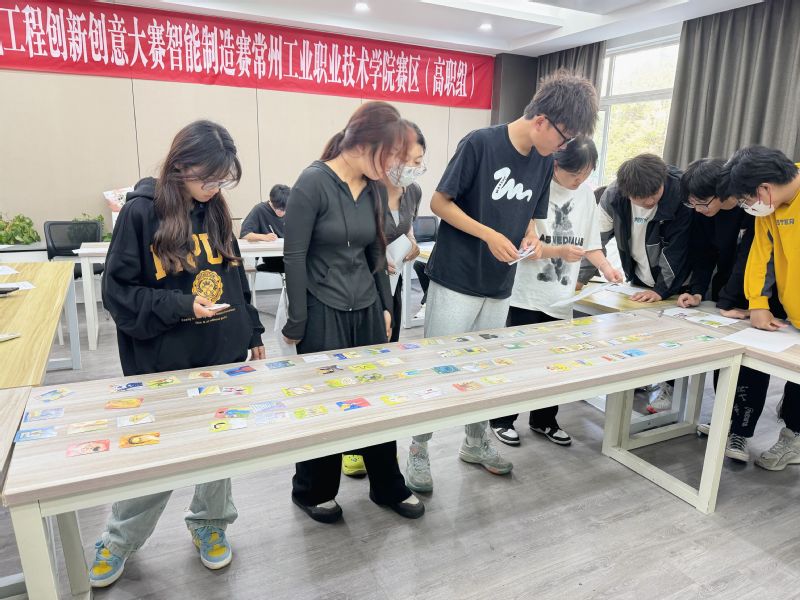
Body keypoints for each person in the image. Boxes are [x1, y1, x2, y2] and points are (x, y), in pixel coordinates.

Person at [405, 69, 599, 493]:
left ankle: (475, 443)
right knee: (439, 367)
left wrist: (530, 235)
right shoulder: (481, 143)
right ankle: (418, 449)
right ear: (542, 121)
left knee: (484, 369)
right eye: (564, 137)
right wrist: (489, 234)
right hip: (457, 277)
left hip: (499, 282)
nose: (563, 148)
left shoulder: (544, 160)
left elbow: (530, 214)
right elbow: (440, 202)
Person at [91, 120, 265, 587]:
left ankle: (210, 523)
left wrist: (252, 328)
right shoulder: (141, 212)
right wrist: (182, 304)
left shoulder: (215, 208)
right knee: (158, 457)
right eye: (208, 177)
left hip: (221, 353)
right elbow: (118, 293)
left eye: (223, 179)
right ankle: (117, 540)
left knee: (219, 449)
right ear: (182, 164)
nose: (215, 188)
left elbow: (234, 275)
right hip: (164, 359)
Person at [282, 101, 424, 521]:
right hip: (322, 307)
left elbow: (376, 250)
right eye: (391, 154)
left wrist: (384, 306)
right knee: (326, 404)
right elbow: (294, 256)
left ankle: (387, 485)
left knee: (376, 399)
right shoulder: (313, 182)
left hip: (366, 305)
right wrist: (298, 320)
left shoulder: (374, 188)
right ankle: (312, 490)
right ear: (364, 144)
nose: (394, 165)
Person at [489, 137, 623, 447]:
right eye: (575, 174)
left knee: (554, 364)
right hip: (525, 294)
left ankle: (544, 420)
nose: (580, 180)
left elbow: (590, 243)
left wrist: (606, 268)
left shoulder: (586, 195)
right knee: (518, 360)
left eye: (587, 174)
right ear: (556, 165)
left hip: (560, 297)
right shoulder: (535, 188)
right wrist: (560, 251)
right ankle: (502, 419)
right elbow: (525, 249)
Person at [342, 121, 426, 479]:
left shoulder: (413, 191)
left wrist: (412, 244)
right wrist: (375, 258)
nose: (413, 168)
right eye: (408, 160)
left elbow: (406, 229)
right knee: (356, 367)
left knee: (382, 366)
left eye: (419, 161)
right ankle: (350, 445)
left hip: (391, 286)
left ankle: (376, 443)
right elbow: (350, 243)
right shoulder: (366, 189)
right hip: (362, 288)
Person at [591, 153, 692, 410]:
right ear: (626, 193)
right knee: (635, 331)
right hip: (638, 274)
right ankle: (637, 379)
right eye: (640, 198)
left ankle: (667, 387)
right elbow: (595, 238)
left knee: (671, 337)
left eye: (654, 195)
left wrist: (661, 290)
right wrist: (580, 278)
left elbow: (678, 250)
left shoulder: (680, 193)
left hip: (675, 282)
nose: (648, 201)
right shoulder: (613, 196)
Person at [728, 145, 800, 470]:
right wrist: (757, 302)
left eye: (747, 199)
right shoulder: (770, 209)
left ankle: (793, 438)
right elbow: (760, 255)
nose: (749, 206)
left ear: (765, 189)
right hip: (792, 313)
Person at [240, 183, 290, 273]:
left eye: (285, 209)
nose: (282, 213)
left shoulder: (291, 208)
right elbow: (244, 234)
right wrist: (264, 237)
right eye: (279, 209)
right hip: (273, 257)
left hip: (290, 253)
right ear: (271, 201)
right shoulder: (259, 209)